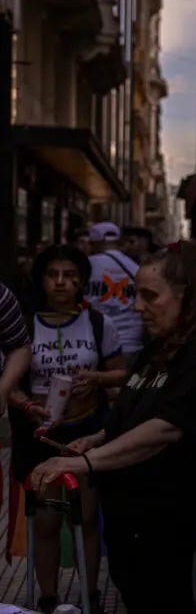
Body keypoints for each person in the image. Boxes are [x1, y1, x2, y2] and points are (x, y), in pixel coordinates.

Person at [31, 241, 196, 614]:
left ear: (187, 296)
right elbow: (136, 412)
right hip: (136, 533)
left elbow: (166, 429)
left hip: (181, 535)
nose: (137, 307)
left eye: (149, 296)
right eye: (135, 295)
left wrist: (86, 463)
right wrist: (96, 438)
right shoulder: (155, 351)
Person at [8, 246, 124, 614]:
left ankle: (90, 595)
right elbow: (6, 382)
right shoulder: (23, 326)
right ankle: (47, 598)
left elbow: (124, 373)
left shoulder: (98, 323)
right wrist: (28, 405)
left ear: (82, 281)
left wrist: (98, 380)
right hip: (39, 436)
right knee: (45, 520)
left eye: (70, 275)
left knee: (87, 517)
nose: (61, 282)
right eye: (52, 274)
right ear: (41, 279)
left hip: (84, 433)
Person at [84, 222, 145, 365]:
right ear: (118, 242)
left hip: (97, 344)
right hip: (131, 343)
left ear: (94, 243)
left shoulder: (85, 267)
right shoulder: (135, 268)